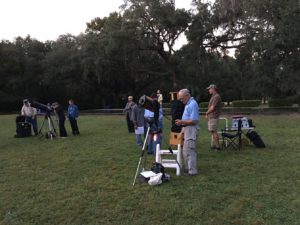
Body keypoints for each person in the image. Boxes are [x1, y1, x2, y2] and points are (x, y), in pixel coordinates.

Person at [175, 89, 199, 176]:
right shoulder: (188, 104)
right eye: (180, 99)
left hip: (191, 129)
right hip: (187, 129)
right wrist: (182, 126)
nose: (181, 101)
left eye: (182, 98)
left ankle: (192, 171)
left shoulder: (193, 104)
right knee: (185, 150)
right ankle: (187, 168)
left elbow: (194, 120)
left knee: (190, 150)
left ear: (187, 95)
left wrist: (182, 122)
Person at [205, 84, 223, 151]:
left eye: (209, 89)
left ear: (213, 89)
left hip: (214, 116)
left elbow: (212, 108)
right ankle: (214, 146)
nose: (209, 90)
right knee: (212, 132)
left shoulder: (216, 97)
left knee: (214, 131)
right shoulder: (214, 96)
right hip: (212, 116)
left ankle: (217, 147)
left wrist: (207, 113)